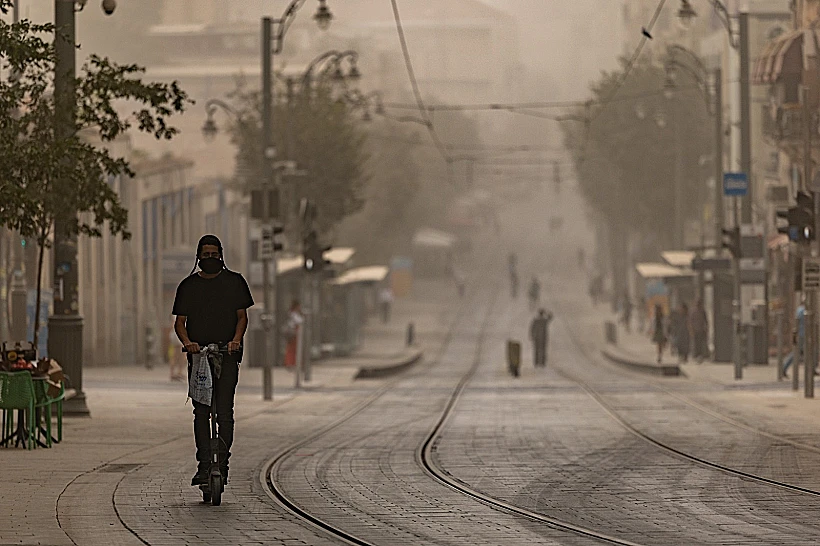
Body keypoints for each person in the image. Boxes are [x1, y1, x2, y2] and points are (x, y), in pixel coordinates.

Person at [172, 234, 254, 487]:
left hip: (228, 355)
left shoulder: (235, 282)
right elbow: (179, 323)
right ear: (198, 257)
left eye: (214, 254)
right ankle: (204, 464)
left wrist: (236, 340)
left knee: (225, 411)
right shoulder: (188, 286)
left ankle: (224, 462)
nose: (210, 259)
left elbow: (242, 317)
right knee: (201, 412)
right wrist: (188, 343)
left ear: (221, 255)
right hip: (199, 359)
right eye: (205, 255)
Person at [783, 301, 806, 378]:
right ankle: (784, 367)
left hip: (801, 334)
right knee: (796, 352)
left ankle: (784, 367)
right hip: (803, 334)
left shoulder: (799, 310)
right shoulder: (803, 311)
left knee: (798, 352)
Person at [284, 300, 303, 369]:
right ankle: (290, 363)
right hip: (294, 333)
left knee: (293, 349)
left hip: (295, 333)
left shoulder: (293, 314)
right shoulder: (293, 314)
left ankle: (293, 363)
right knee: (292, 349)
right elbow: (299, 322)